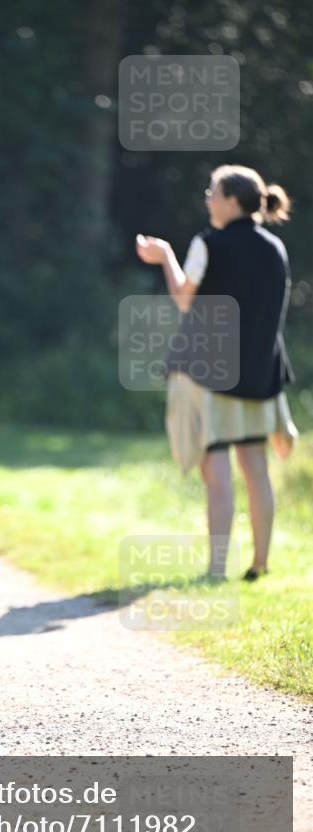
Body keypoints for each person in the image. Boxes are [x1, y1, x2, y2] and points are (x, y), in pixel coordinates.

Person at [135, 164, 298, 580]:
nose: (207, 199)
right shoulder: (275, 248)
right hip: (260, 374)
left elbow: (184, 299)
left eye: (213, 192)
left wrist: (165, 257)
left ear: (232, 201)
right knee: (256, 469)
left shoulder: (208, 243)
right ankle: (260, 564)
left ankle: (216, 569)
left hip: (211, 375)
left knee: (217, 472)